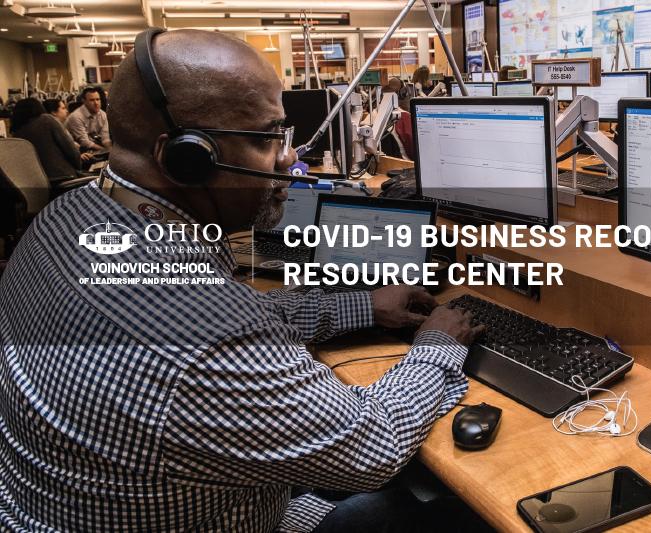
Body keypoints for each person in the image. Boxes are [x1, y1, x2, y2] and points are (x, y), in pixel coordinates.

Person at [0, 29, 483, 532]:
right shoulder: (206, 335)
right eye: (267, 137)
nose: (287, 160)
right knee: (443, 507)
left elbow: (230, 326)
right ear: (187, 157)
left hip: (81, 505)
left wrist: (362, 307)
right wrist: (436, 346)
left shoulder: (67, 218)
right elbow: (374, 445)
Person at [9, 97, 82, 180]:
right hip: (64, 176)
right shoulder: (46, 120)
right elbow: (70, 149)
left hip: (39, 182)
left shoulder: (17, 133)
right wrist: (80, 166)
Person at [64, 86, 112, 151]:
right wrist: (105, 150)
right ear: (84, 101)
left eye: (98, 99)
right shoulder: (76, 117)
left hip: (91, 146)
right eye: (92, 100)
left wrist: (110, 150)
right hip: (75, 149)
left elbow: (105, 138)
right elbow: (84, 142)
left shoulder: (103, 114)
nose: (96, 103)